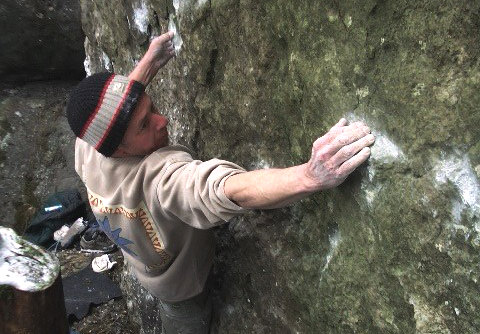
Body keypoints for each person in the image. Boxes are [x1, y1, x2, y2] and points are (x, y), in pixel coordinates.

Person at [66, 31, 375, 333]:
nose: (163, 121)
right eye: (145, 125)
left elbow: (119, 116)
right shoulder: (161, 180)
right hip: (180, 288)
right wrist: (308, 176)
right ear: (119, 149)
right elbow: (220, 190)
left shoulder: (87, 149)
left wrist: (148, 64)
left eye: (153, 108)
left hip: (144, 261)